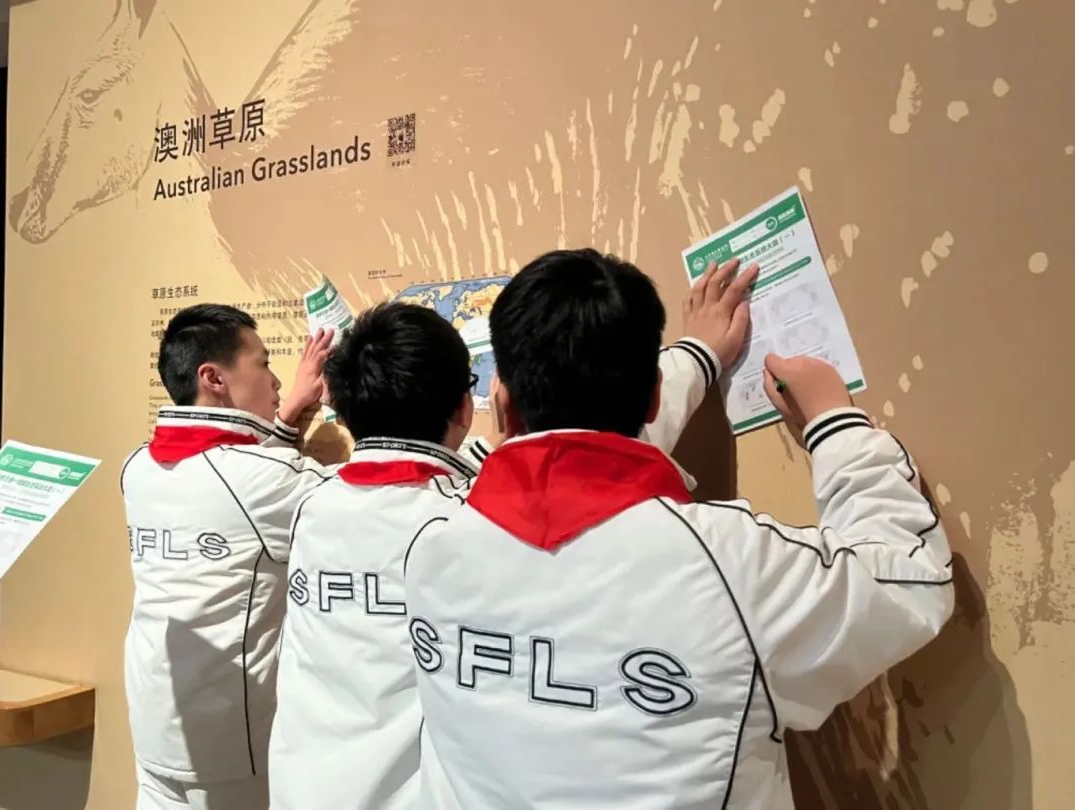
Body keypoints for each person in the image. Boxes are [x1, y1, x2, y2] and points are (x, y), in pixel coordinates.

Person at [405, 248, 955, 809]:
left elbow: (581, 461)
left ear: (502, 405)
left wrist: (697, 355)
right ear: (653, 396)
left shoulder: (429, 546)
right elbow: (911, 577)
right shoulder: (733, 569)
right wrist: (835, 423)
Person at [267, 257, 747, 810]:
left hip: (298, 792)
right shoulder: (465, 520)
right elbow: (592, 451)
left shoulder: (308, 503)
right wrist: (698, 353)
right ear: (462, 408)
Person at [120, 303, 334, 810]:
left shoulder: (137, 467)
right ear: (214, 378)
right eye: (263, 363)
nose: (277, 380)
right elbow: (367, 498)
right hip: (230, 741)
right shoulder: (256, 480)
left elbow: (236, 479)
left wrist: (286, 416)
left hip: (155, 715)